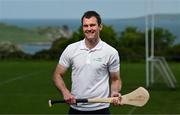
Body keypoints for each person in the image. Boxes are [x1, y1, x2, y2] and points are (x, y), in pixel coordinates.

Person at [53, 10, 122, 114]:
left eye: (92, 25)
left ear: (100, 27)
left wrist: (115, 92)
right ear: (82, 28)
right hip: (76, 110)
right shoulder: (71, 49)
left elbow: (115, 79)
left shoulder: (111, 52)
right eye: (86, 26)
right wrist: (65, 92)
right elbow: (57, 74)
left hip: (101, 110)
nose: (89, 29)